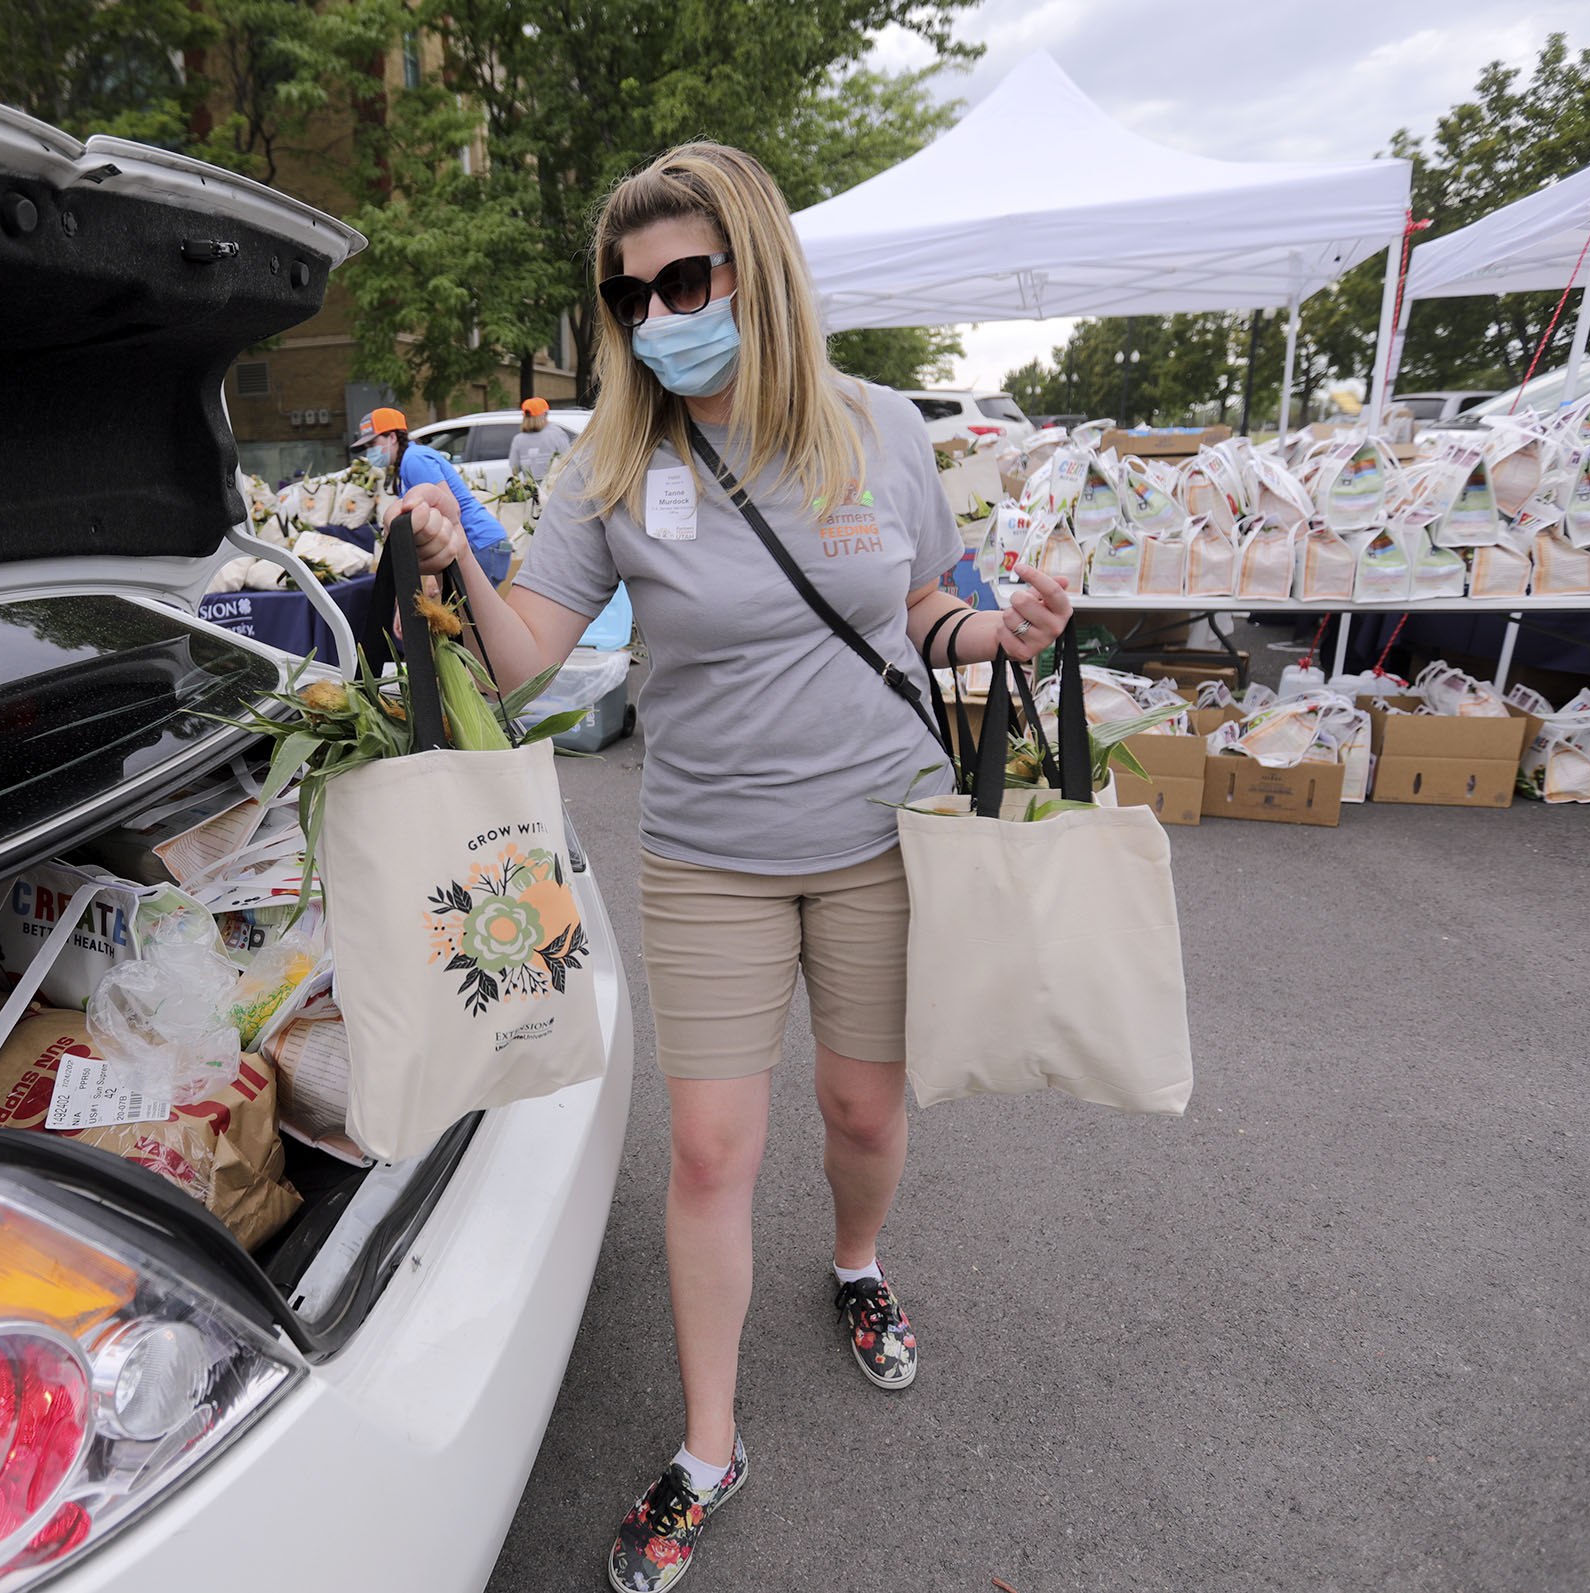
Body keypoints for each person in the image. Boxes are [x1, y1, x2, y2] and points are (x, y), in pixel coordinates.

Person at [394, 142, 1072, 1592]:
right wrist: (452, 565)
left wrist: (1002, 633)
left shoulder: (880, 430)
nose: (657, 317)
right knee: (709, 1150)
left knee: (862, 1108)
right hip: (708, 853)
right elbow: (525, 662)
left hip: (884, 833)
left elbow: (927, 615)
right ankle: (712, 1445)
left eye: (685, 280)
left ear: (756, 274)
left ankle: (857, 1262)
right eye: (629, 295)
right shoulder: (610, 467)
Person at [352, 406, 514, 584]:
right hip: (482, 546)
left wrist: (435, 572)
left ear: (392, 437)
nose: (369, 453)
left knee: (469, 612)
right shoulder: (408, 461)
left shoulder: (414, 460)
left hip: (481, 545)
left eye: (372, 445)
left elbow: (450, 510)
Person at [508, 395, 575, 481]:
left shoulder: (518, 439)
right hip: (552, 490)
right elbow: (568, 463)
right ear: (544, 414)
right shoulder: (556, 434)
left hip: (530, 490)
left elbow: (515, 471)